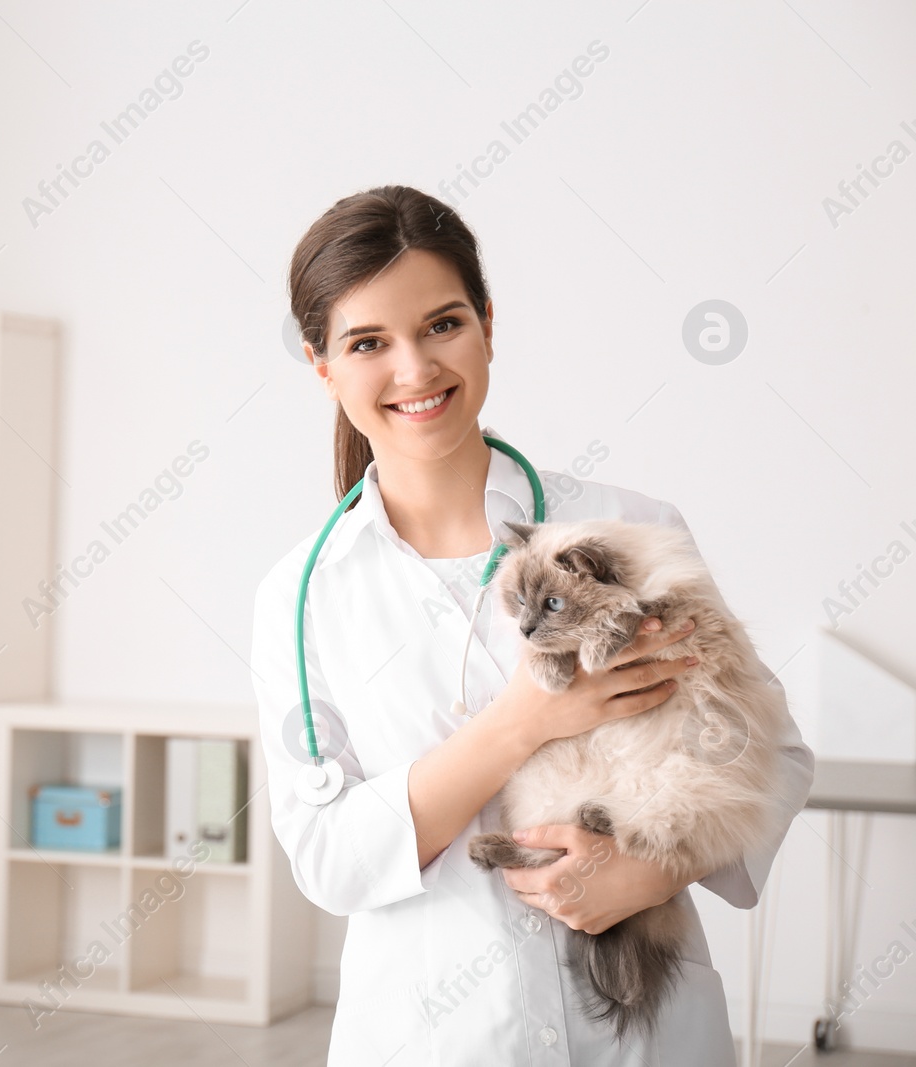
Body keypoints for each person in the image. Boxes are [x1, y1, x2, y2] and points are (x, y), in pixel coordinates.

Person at [250, 185, 813, 1065]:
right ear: (323, 366)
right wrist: (527, 721)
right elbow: (329, 858)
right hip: (433, 1034)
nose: (415, 369)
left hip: (642, 1028)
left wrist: (654, 869)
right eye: (368, 343)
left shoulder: (625, 526)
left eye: (442, 324)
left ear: (485, 323)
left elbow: (771, 752)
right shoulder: (304, 595)